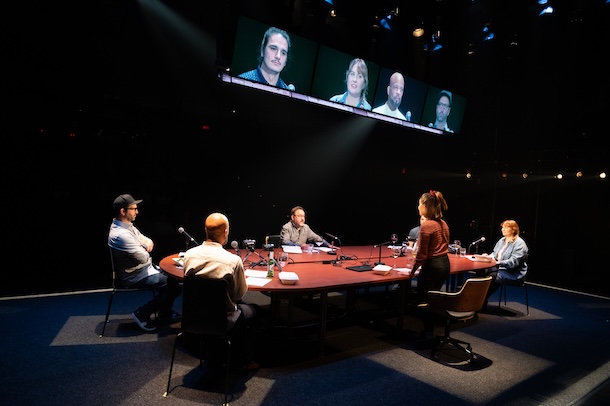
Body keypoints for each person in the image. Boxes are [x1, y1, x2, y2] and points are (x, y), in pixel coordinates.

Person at [183, 212, 259, 370]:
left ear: (205, 230)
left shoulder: (189, 255)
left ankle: (212, 351)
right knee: (254, 311)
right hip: (223, 319)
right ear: (226, 232)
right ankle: (243, 361)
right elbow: (238, 295)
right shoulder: (233, 260)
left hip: (193, 317)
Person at [108, 194, 182, 332]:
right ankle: (141, 313)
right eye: (134, 209)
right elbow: (143, 257)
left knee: (174, 280)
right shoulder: (121, 235)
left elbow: (148, 241)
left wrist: (144, 245)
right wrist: (144, 247)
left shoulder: (128, 226)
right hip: (134, 276)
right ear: (123, 212)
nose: (137, 212)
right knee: (174, 286)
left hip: (145, 269)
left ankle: (165, 312)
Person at [480, 219, 529, 308]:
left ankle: (481, 302)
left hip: (513, 273)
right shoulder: (502, 240)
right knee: (481, 271)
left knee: (492, 276)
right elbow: (495, 254)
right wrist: (487, 257)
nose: (502, 230)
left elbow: (513, 262)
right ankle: (475, 300)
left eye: (505, 228)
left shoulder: (520, 243)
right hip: (500, 268)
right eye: (502, 228)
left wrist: (498, 262)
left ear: (513, 230)